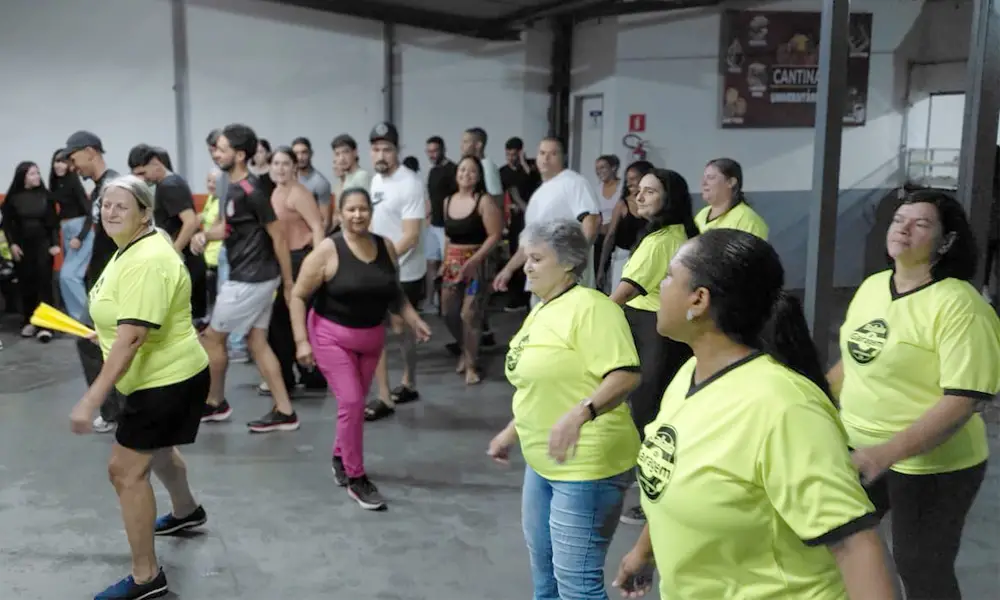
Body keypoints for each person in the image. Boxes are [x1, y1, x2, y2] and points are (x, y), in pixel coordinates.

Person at [613, 228, 896, 599]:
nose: (659, 288)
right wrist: (644, 551)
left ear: (699, 300)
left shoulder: (783, 408)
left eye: (668, 277)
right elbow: (674, 468)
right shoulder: (690, 374)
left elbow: (854, 544)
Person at [828, 189, 1000, 600]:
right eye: (898, 220)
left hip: (932, 465)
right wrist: (811, 401)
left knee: (920, 565)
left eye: (920, 223)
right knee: (839, 544)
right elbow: (853, 361)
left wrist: (883, 455)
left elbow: (961, 401)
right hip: (858, 447)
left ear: (946, 241)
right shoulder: (873, 286)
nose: (903, 229)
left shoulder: (959, 305)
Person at [68, 175, 210, 600]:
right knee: (160, 450)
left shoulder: (146, 258)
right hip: (166, 374)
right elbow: (128, 316)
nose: (110, 212)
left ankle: (147, 577)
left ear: (145, 213)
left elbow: (132, 338)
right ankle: (187, 511)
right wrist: (104, 332)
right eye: (106, 205)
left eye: (121, 206)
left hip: (165, 381)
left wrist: (92, 398)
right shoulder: (131, 246)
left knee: (125, 471)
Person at [487, 219, 640, 600]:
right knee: (545, 575)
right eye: (527, 258)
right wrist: (511, 432)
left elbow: (625, 374)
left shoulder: (593, 308)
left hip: (587, 465)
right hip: (542, 460)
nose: (527, 266)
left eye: (537, 259)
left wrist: (580, 414)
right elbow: (543, 385)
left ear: (569, 262)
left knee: (577, 586)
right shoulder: (542, 309)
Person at [291, 187, 431, 510]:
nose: (357, 215)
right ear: (340, 214)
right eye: (351, 210)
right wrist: (301, 341)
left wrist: (413, 319)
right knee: (353, 401)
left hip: (370, 339)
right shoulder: (328, 251)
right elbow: (298, 295)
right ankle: (356, 478)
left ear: (371, 212)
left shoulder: (385, 246)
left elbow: (394, 293)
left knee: (352, 408)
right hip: (330, 336)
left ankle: (340, 457)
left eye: (363, 209)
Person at [191, 123, 300, 433]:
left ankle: (215, 402)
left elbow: (278, 237)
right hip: (251, 277)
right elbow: (228, 228)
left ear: (239, 155)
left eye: (222, 149)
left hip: (250, 280)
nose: (216, 153)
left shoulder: (253, 191)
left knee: (212, 338)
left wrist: (289, 284)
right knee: (257, 341)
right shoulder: (230, 185)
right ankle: (285, 411)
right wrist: (205, 236)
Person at [608, 169, 698, 525]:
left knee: (650, 415)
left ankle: (654, 499)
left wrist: (589, 319)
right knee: (659, 410)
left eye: (650, 191)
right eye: (638, 190)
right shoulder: (676, 233)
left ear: (669, 199)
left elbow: (623, 293)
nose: (639, 196)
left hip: (651, 329)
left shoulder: (660, 241)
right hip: (662, 329)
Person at [365, 122, 426, 421]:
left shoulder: (409, 183)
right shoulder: (376, 181)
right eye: (376, 149)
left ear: (397, 150)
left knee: (402, 331)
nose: (381, 155)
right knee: (377, 329)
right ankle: (384, 395)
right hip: (380, 266)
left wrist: (382, 261)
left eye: (387, 149)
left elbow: (411, 235)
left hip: (405, 269)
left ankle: (409, 381)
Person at [65, 130, 123, 433]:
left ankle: (117, 411)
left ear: (90, 152)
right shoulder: (101, 188)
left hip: (114, 281)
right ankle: (116, 410)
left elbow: (127, 237)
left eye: (75, 159)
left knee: (95, 342)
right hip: (102, 279)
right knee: (97, 342)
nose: (74, 167)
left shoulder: (115, 187)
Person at [493, 137, 601, 299]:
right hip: (540, 280)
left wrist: (574, 262)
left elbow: (592, 222)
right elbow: (528, 243)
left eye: (553, 153)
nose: (546, 158)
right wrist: (508, 269)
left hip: (567, 280)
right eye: (542, 153)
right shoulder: (539, 193)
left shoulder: (574, 182)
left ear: (563, 157)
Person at [261, 146, 325, 396]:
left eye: (285, 164)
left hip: (301, 260)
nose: (280, 168)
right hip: (283, 260)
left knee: (292, 319)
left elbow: (317, 227)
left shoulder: (298, 193)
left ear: (294, 167)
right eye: (276, 164)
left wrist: (318, 263)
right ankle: (289, 375)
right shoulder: (277, 191)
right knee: (282, 322)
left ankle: (309, 374)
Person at [127, 144, 207, 324]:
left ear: (156, 164)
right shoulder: (171, 183)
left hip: (186, 263)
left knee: (185, 321)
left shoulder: (169, 185)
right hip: (187, 262)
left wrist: (173, 253)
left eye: (143, 173)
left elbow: (190, 221)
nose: (142, 178)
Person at [440, 155, 503, 384]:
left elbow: (495, 235)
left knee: (470, 314)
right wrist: (444, 261)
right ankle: (465, 348)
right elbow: (448, 236)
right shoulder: (447, 201)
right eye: (462, 169)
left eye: (472, 171)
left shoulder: (484, 201)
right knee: (448, 312)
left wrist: (475, 260)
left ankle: (471, 364)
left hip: (477, 264)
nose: (466, 174)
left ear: (478, 177)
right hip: (453, 264)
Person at [1, 161, 60, 341]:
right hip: (22, 246)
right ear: (23, 177)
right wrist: (12, 244)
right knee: (27, 284)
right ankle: (30, 320)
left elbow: (53, 223)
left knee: (44, 284)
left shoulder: (46, 196)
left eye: (38, 173)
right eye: (32, 174)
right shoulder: (13, 198)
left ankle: (46, 326)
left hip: (43, 244)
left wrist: (54, 244)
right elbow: (7, 225)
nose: (37, 177)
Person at [49, 148, 93, 322]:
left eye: (63, 162)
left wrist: (80, 237)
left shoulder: (73, 181)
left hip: (80, 231)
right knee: (67, 278)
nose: (59, 165)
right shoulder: (56, 183)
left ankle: (90, 318)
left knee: (69, 276)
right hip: (66, 229)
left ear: (70, 164)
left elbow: (90, 213)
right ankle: (79, 319)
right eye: (56, 161)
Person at [596, 161, 652, 293]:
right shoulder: (622, 204)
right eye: (627, 180)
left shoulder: (653, 206)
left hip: (646, 258)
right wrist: (601, 268)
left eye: (633, 179)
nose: (628, 183)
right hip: (622, 259)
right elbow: (610, 236)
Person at [498, 136, 541, 311]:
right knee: (516, 255)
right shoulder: (503, 172)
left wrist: (524, 163)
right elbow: (499, 197)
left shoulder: (531, 167)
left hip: (533, 219)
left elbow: (537, 182)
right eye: (508, 155)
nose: (511, 158)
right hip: (515, 221)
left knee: (532, 255)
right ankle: (516, 296)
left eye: (514, 154)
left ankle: (529, 294)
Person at [696, 157, 768, 238]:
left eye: (711, 178)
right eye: (704, 178)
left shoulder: (748, 221)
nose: (703, 183)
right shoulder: (702, 215)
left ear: (731, 182)